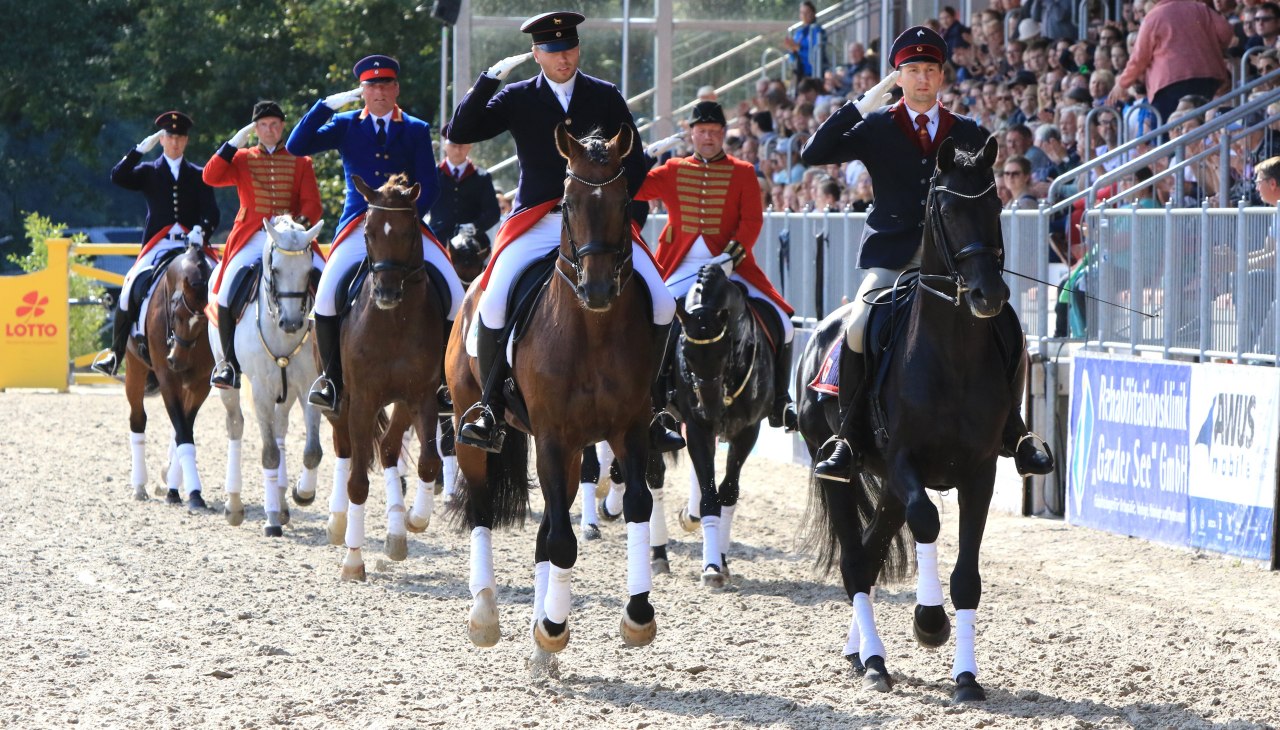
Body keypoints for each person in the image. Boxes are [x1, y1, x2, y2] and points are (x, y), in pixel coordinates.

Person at [800, 25, 1052, 481]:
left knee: (1008, 326)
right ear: (898, 77)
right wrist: (864, 101)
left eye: (929, 70)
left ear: (941, 77)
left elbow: (982, 204)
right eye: (911, 70)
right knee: (857, 328)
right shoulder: (876, 125)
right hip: (892, 258)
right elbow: (813, 152)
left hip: (953, 264)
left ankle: (1014, 431)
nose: (921, 79)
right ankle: (849, 437)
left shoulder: (968, 132)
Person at [442, 11, 682, 453]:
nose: (563, 58)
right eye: (553, 51)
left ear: (577, 49)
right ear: (537, 55)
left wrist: (627, 217)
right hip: (538, 220)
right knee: (493, 302)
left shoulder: (604, 95)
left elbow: (634, 166)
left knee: (663, 302)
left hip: (597, 225)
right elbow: (461, 130)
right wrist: (488, 80)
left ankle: (657, 407)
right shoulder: (517, 96)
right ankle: (491, 408)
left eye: (569, 49)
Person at [286, 54, 464, 414]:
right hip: (358, 224)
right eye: (372, 86)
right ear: (362, 91)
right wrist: (325, 106)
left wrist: (407, 218)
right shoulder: (345, 124)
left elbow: (429, 185)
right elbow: (296, 145)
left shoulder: (414, 128)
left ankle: (446, 382)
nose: (380, 92)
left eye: (386, 85)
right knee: (325, 298)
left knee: (457, 296)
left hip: (406, 226)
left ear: (396, 88)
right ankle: (332, 380)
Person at [635, 101, 799, 431]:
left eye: (713, 132)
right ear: (691, 134)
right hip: (682, 265)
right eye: (701, 132)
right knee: (657, 315)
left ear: (723, 134)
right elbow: (632, 187)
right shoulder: (673, 170)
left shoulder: (743, 172)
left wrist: (730, 257)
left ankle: (781, 400)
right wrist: (645, 155)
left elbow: (752, 221)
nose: (707, 138)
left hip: (731, 264)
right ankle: (657, 399)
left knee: (783, 322)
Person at [203, 100, 324, 389]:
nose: (270, 130)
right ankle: (229, 365)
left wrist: (298, 227)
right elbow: (210, 176)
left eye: (274, 124)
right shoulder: (242, 158)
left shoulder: (300, 160)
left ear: (282, 126)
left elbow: (312, 205)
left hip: (290, 237)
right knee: (225, 289)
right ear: (255, 128)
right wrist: (232, 144)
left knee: (326, 280)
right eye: (263, 125)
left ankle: (330, 363)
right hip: (252, 236)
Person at [94, 111, 221, 377]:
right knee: (130, 286)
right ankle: (115, 352)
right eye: (170, 137)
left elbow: (212, 213)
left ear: (186, 141)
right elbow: (118, 176)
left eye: (180, 137)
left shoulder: (199, 174)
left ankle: (227, 357)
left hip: (192, 245)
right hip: (159, 244)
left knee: (222, 283)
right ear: (162, 140)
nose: (175, 142)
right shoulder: (148, 171)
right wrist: (139, 150)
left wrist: (202, 230)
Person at [1109, 0, 1233, 125]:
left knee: (1170, 135)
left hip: (1169, 85)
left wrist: (1122, 83)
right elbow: (1226, 32)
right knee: (1206, 130)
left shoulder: (1153, 17)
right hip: (1209, 78)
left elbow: (1139, 58)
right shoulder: (1200, 8)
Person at [427, 135, 501, 255]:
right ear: (445, 146)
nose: (457, 150)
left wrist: (474, 227)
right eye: (453, 145)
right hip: (438, 241)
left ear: (469, 147)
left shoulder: (482, 177)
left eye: (461, 146)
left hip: (473, 245)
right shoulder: (432, 175)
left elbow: (493, 212)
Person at [783, 1, 828, 82]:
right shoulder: (799, 32)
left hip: (813, 72)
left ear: (813, 13)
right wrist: (791, 50)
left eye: (807, 12)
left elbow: (817, 52)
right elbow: (793, 54)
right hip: (799, 70)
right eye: (802, 13)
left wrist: (799, 48)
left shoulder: (818, 31)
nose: (804, 15)